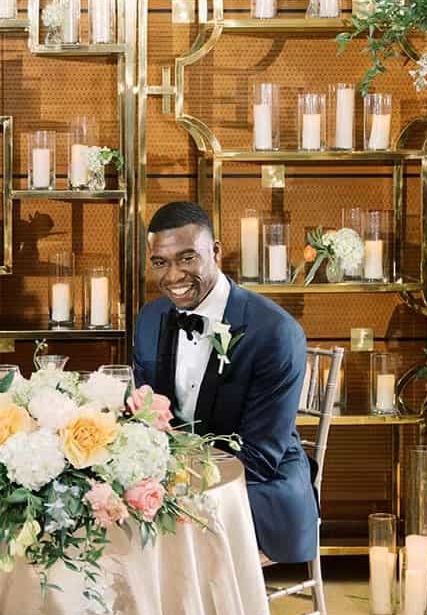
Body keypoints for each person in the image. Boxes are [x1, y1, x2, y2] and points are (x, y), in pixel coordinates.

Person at [131, 201, 317, 565]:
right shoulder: (151, 319)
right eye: (160, 263)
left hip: (254, 488)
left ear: (215, 251)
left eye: (187, 258)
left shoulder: (275, 333)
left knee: (159, 535)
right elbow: (142, 418)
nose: (172, 277)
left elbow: (261, 457)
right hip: (174, 479)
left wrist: (176, 486)